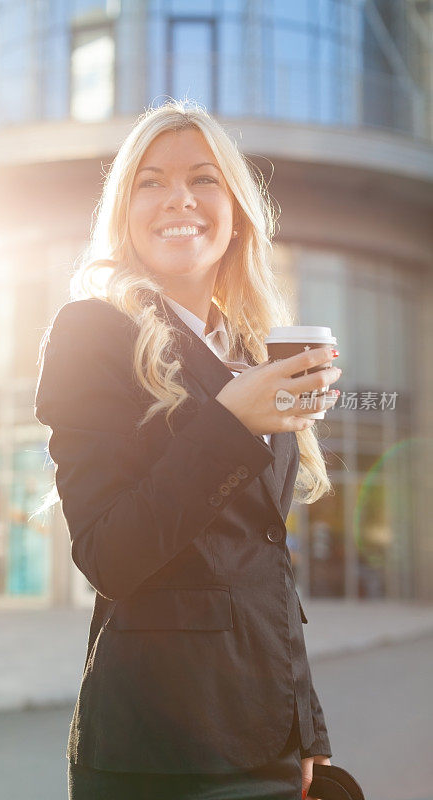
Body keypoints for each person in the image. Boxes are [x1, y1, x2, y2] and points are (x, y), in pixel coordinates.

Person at [34, 99, 341, 800]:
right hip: (160, 751)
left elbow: (266, 561)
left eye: (203, 179)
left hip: (266, 736)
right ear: (125, 211)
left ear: (233, 209)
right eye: (150, 181)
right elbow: (109, 555)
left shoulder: (249, 351)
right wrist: (232, 422)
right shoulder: (91, 332)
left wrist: (306, 731)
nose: (179, 198)